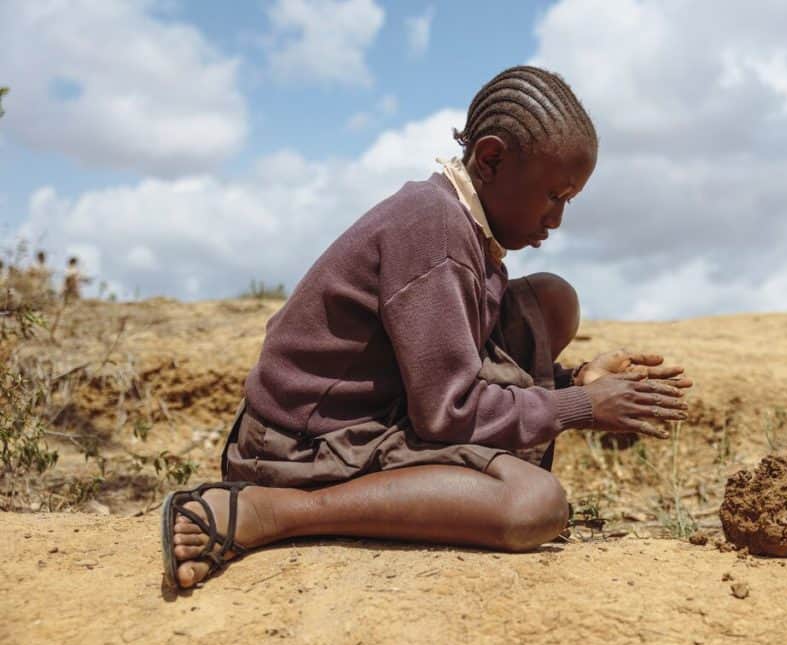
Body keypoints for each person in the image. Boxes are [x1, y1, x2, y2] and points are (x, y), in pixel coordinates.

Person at [162, 66, 692, 590]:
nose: (556, 220)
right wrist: (583, 409)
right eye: (555, 196)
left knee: (550, 301)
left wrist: (573, 383)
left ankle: (319, 500)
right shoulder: (434, 232)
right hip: (299, 445)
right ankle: (276, 511)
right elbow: (448, 411)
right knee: (535, 504)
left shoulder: (460, 222)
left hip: (384, 412)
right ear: (490, 159)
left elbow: (455, 358)